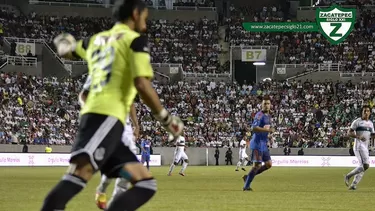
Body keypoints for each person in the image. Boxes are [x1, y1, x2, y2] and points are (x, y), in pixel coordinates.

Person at [40, 0, 184, 210]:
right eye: (145, 15)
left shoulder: (95, 40)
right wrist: (167, 119)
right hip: (104, 117)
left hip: (109, 124)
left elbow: (65, 50)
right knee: (79, 174)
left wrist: (63, 39)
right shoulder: (135, 41)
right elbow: (142, 84)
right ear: (135, 13)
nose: (146, 20)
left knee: (145, 182)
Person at [243, 96, 274, 191]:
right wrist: (268, 130)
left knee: (268, 164)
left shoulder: (268, 116)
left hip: (263, 144)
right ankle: (246, 186)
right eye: (264, 104)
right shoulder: (259, 115)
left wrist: (268, 135)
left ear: (270, 105)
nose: (266, 105)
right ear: (261, 104)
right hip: (257, 144)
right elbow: (254, 128)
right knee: (257, 166)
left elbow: (264, 129)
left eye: (268, 103)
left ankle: (247, 177)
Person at [344, 105, 374, 190]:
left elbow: (373, 135)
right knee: (366, 165)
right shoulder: (357, 121)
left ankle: (353, 184)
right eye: (364, 111)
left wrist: (373, 145)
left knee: (363, 167)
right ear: (362, 112)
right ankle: (348, 176)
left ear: (370, 113)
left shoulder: (371, 123)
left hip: (366, 146)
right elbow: (349, 133)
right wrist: (358, 137)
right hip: (359, 146)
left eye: (368, 111)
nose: (366, 112)